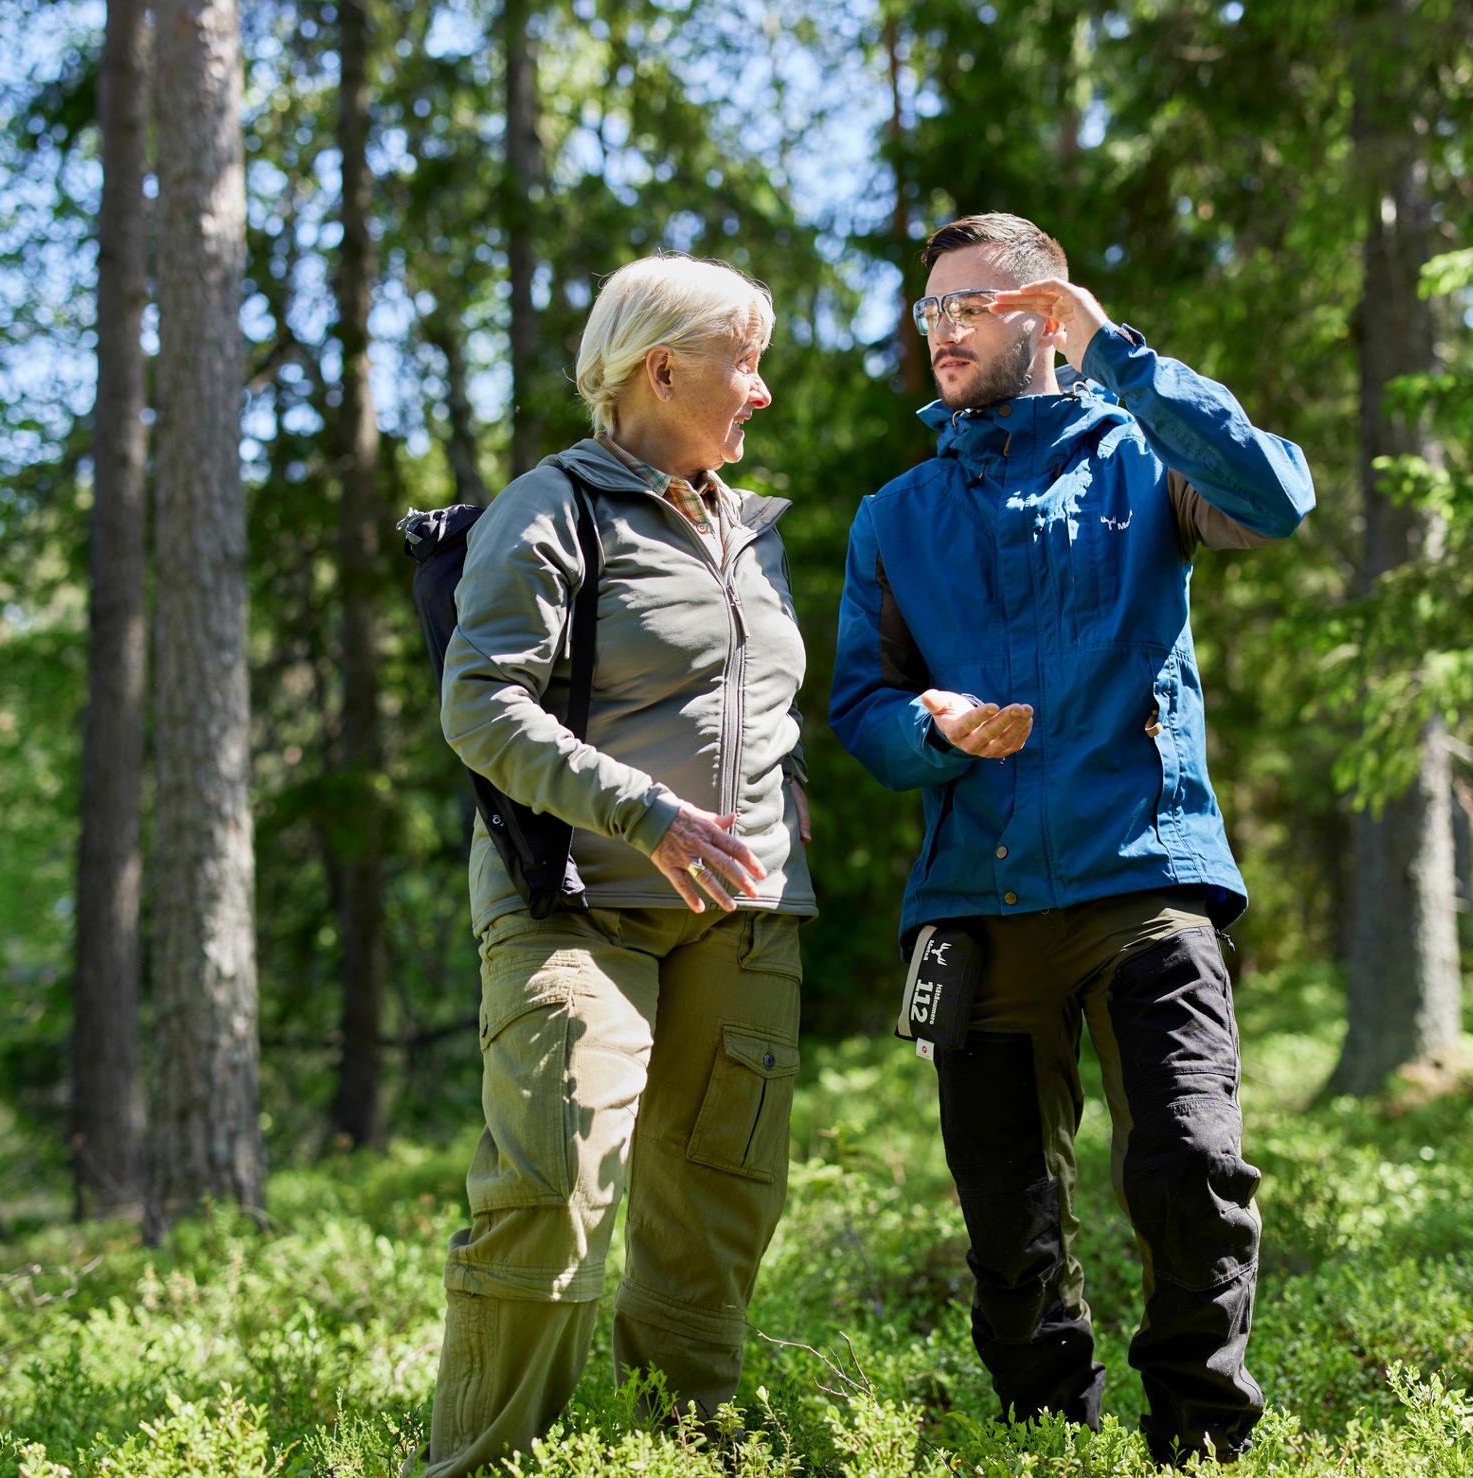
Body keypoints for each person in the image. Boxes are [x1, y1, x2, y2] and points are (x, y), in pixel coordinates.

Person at [829, 213, 1314, 1466]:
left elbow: (1275, 497)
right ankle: (1049, 1441)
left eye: (969, 308)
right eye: (928, 311)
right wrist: (929, 724)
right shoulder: (894, 515)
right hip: (970, 903)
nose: (940, 333)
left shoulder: (1143, 457)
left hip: (1142, 872)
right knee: (1007, 1219)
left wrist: (1124, 356)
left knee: (1189, 1168)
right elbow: (859, 711)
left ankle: (1197, 1440)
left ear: (1042, 315)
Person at [411, 254, 814, 1478]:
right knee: (553, 1184)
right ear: (663, 367)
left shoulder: (753, 534)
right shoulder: (554, 505)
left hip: (743, 920)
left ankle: (677, 1457)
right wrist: (642, 810)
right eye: (743, 362)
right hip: (578, 909)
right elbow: (479, 705)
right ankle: (477, 1466)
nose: (758, 391)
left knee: (717, 1212)